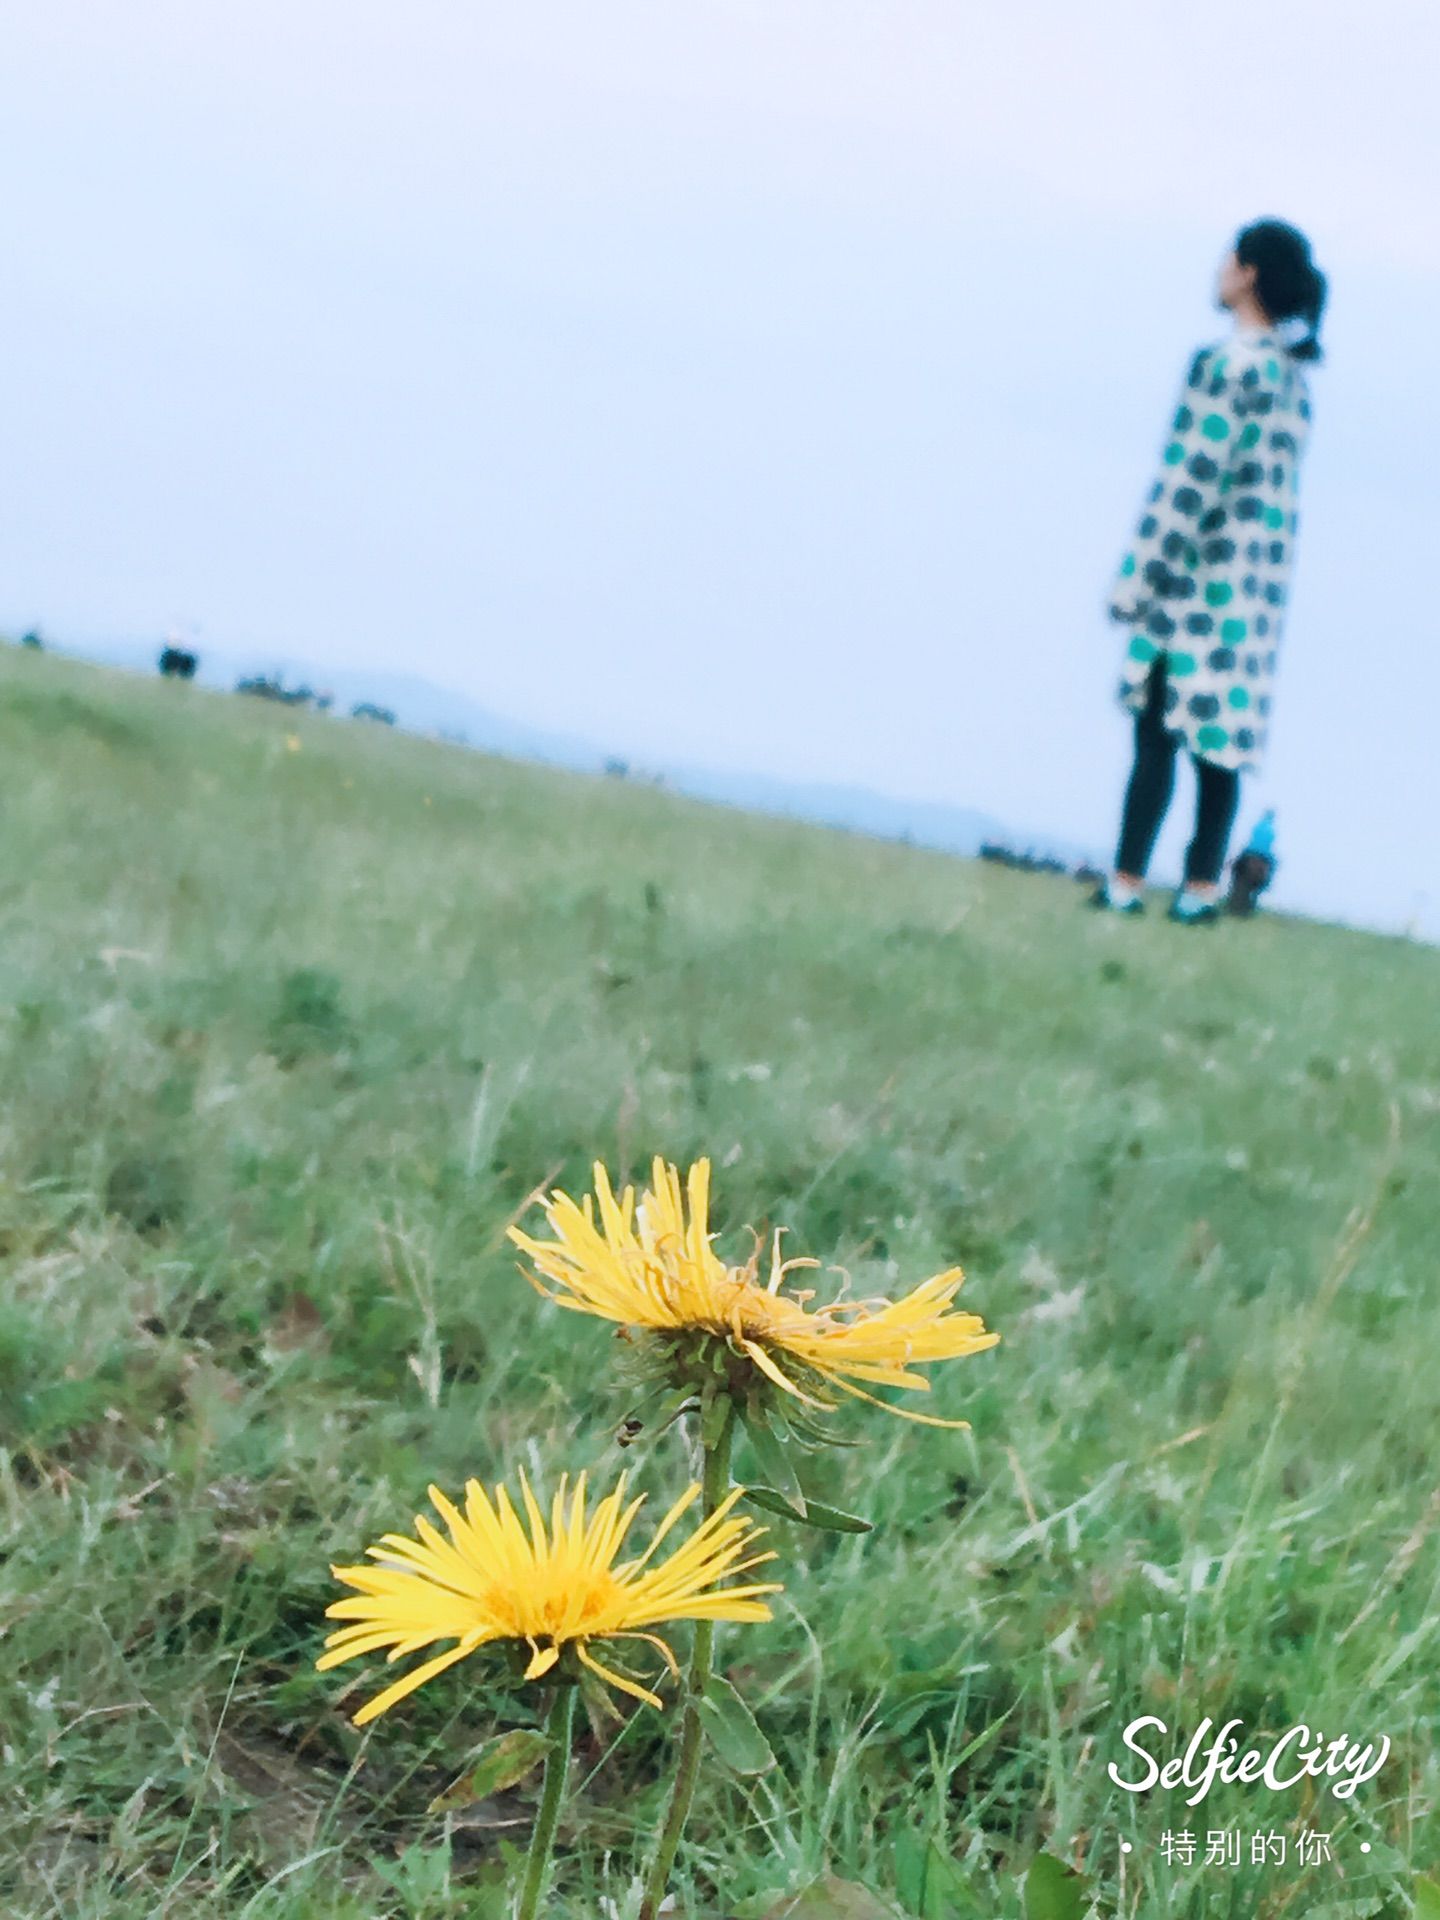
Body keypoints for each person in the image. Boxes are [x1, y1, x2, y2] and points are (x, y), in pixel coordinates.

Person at [1091, 219, 1326, 924]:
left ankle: (1125, 882)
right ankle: (1198, 892)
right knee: (1219, 747)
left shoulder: (1228, 365)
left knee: (1157, 733)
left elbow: (1189, 482)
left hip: (1194, 582)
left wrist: (1138, 577)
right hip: (1255, 593)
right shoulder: (1292, 381)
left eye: (1229, 259)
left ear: (1247, 272)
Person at [1225, 808, 1278, 916]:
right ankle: (1266, 884)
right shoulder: (1272, 830)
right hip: (1264, 856)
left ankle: (1232, 906)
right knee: (1272, 868)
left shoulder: (1257, 826)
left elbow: (1252, 841)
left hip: (1249, 853)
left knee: (1237, 874)